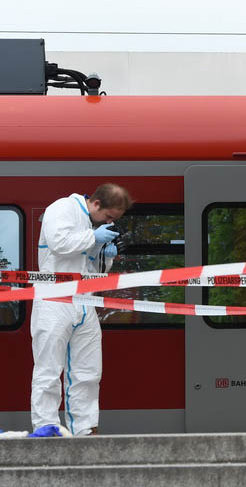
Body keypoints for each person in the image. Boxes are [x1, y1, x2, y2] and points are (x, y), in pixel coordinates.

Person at [30, 183, 133, 437]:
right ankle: (46, 426)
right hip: (54, 298)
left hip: (85, 301)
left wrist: (104, 254)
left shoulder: (92, 223)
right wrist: (93, 238)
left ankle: (85, 428)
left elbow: (94, 271)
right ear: (96, 203)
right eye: (108, 216)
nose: (109, 222)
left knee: (88, 369)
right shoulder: (62, 208)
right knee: (49, 368)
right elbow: (59, 243)